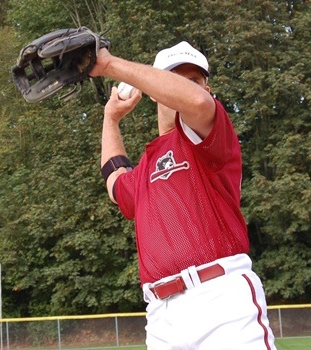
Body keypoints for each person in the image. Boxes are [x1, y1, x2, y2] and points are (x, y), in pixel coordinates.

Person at [90, 41, 277, 350]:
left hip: (221, 301)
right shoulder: (150, 161)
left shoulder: (209, 136)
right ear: (154, 89)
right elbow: (115, 182)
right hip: (162, 316)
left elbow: (198, 103)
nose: (188, 87)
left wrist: (108, 65)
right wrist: (110, 119)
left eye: (196, 80)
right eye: (175, 77)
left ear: (207, 87)